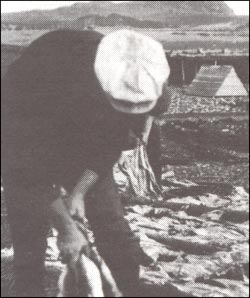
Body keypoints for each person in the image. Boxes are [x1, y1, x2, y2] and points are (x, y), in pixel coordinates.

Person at [2, 29, 170, 297]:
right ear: (101, 86)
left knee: (113, 227)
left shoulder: (142, 69)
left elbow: (106, 149)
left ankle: (127, 287)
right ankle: (28, 287)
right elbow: (27, 170)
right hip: (26, 140)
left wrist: (80, 191)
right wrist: (66, 228)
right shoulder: (36, 83)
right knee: (30, 231)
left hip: (85, 137)